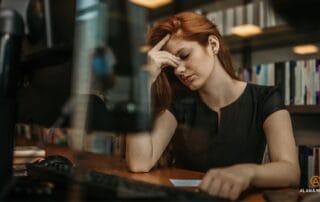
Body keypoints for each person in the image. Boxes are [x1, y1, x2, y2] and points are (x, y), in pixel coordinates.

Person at [125, 12, 300, 200]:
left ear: (213, 45)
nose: (179, 70)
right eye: (172, 66)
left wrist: (248, 173)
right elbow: (139, 163)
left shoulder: (265, 98)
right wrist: (144, 81)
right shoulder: (179, 104)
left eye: (184, 55)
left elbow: (291, 172)